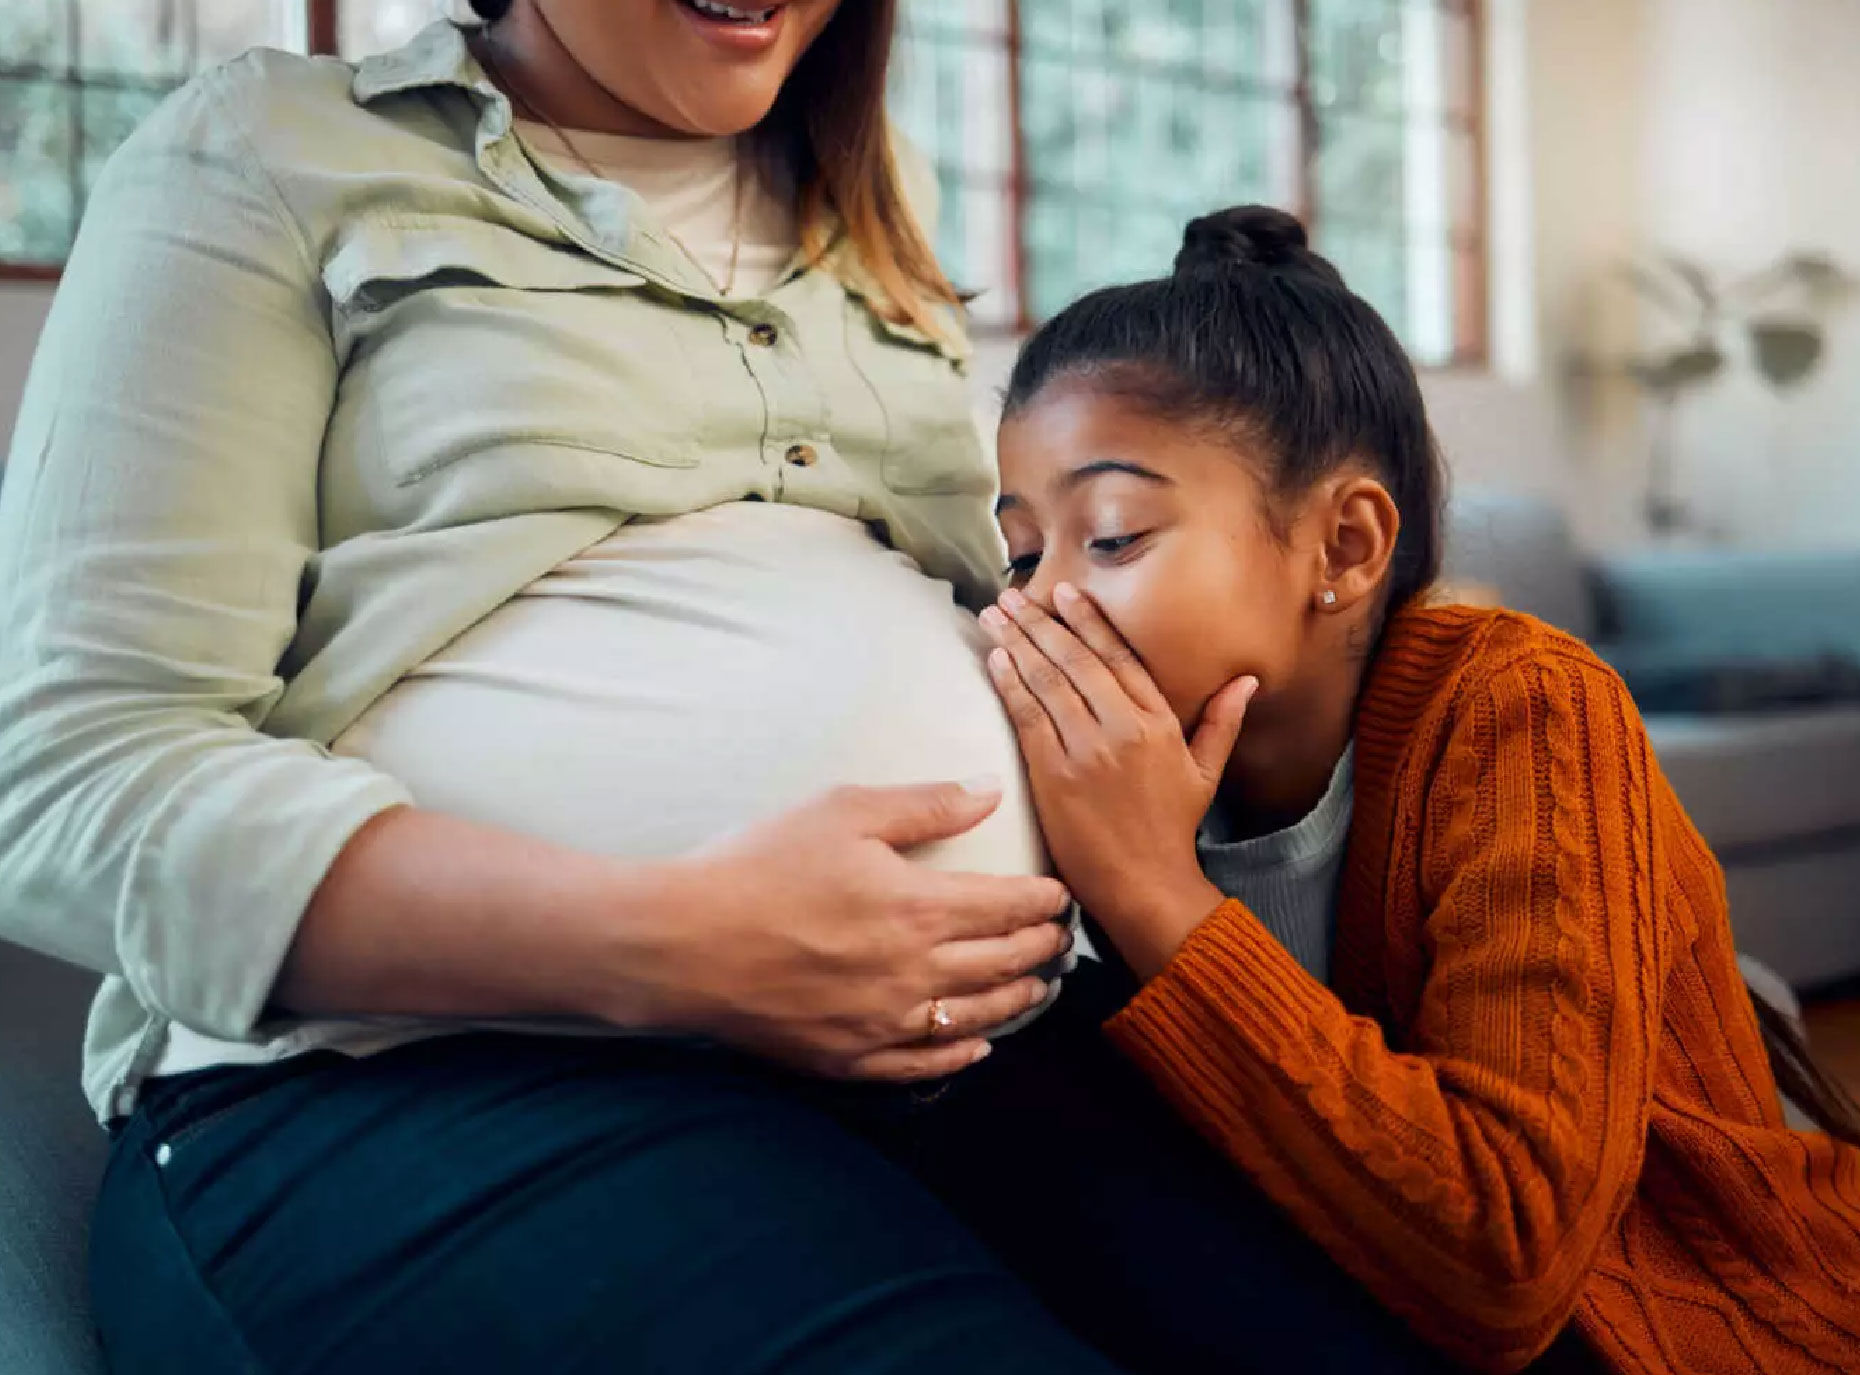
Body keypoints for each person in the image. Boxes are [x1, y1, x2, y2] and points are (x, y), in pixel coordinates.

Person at [0, 0, 1454, 1368]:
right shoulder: (270, 154)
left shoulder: (870, 210)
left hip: (959, 1051)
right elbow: (69, 778)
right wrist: (674, 938)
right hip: (413, 1077)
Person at [974, 204, 1860, 1374]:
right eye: (1018, 551)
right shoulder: (1095, 756)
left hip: (1690, 1332)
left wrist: (1154, 890)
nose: (1036, 601)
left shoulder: (1520, 706)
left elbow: (1509, 1256)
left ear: (1344, 548)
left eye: (1108, 537)